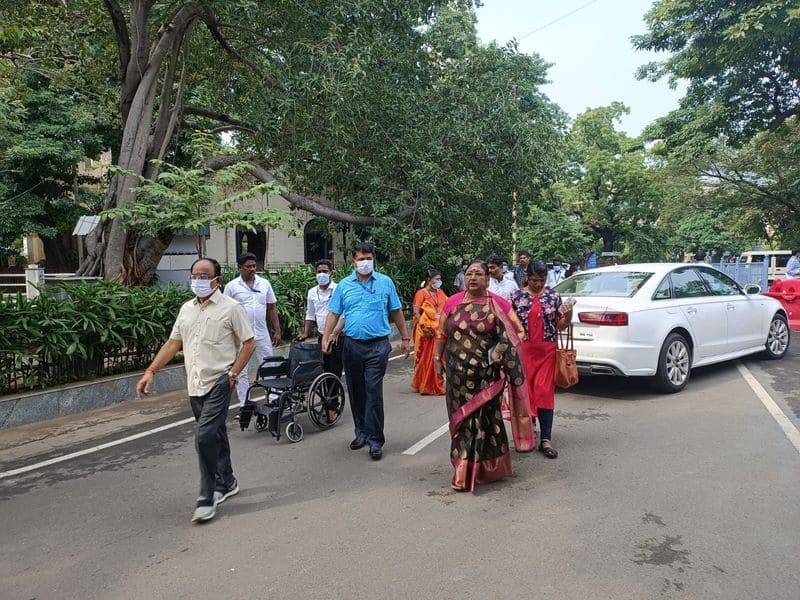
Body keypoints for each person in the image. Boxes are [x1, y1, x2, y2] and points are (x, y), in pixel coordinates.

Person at [136, 258, 255, 523]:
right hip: (195, 383)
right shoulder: (186, 309)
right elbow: (172, 343)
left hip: (220, 381)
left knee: (203, 436)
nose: (198, 280)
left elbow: (249, 343)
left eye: (204, 276)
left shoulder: (231, 308)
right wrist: (150, 371)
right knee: (216, 434)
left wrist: (233, 374)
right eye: (195, 275)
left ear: (217, 280)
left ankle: (208, 493)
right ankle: (229, 481)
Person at [433, 260, 534, 493]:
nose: (473, 277)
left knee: (485, 423)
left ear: (487, 279)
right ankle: (463, 467)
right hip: (457, 379)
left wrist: (499, 351)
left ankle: (480, 470)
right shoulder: (452, 303)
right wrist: (437, 360)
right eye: (469, 273)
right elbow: (441, 334)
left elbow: (517, 331)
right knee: (462, 424)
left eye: (479, 273)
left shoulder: (497, 303)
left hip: (486, 377)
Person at [321, 243, 411, 461]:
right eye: (361, 259)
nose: (365, 262)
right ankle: (360, 432)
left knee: (373, 390)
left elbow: (396, 311)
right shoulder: (344, 286)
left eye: (368, 258)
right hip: (352, 345)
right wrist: (326, 336)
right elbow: (333, 313)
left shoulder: (385, 282)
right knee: (356, 391)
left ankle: (375, 440)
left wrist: (406, 338)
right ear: (353, 261)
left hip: (378, 345)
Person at [511, 260, 573, 460]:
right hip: (523, 351)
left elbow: (560, 326)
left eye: (542, 280)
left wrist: (569, 313)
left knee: (544, 393)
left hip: (546, 351)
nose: (538, 284)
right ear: (527, 277)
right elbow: (509, 326)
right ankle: (529, 434)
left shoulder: (553, 296)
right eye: (534, 280)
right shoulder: (515, 296)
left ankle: (546, 438)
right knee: (525, 394)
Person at [223, 253, 282, 414]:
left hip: (262, 333)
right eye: (248, 266)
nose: (252, 269)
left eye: (254, 266)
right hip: (241, 336)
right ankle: (244, 405)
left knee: (270, 365)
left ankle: (274, 399)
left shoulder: (264, 284)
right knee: (241, 370)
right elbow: (225, 312)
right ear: (240, 267)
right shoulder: (231, 287)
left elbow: (272, 308)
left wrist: (277, 330)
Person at [298, 259, 343, 377]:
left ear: (331, 272)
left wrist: (336, 332)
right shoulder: (312, 292)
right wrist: (305, 333)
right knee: (323, 369)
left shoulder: (339, 289)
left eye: (325, 271)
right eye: (319, 272)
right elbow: (310, 314)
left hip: (337, 337)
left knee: (334, 370)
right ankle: (327, 394)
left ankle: (333, 394)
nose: (321, 274)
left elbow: (344, 314)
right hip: (322, 335)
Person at [411, 269, 448, 395]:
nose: (439, 281)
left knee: (438, 356)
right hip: (425, 330)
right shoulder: (421, 293)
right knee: (426, 358)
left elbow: (446, 308)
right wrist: (424, 327)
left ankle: (433, 382)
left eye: (439, 279)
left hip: (439, 329)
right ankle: (426, 383)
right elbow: (416, 311)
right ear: (429, 280)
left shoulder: (440, 292)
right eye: (436, 279)